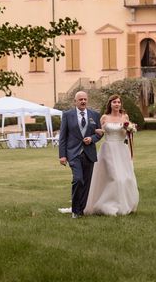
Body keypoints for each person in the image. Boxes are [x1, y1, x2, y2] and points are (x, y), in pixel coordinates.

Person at [84, 94, 139, 216]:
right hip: (108, 150)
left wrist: (130, 129)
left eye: (119, 102)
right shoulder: (104, 117)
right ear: (110, 104)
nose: (117, 104)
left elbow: (126, 132)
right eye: (114, 102)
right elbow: (100, 132)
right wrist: (97, 132)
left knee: (126, 178)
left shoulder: (125, 116)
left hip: (122, 150)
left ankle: (124, 204)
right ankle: (108, 205)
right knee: (114, 178)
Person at [58, 90, 103, 218]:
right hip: (73, 153)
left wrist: (92, 139)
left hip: (89, 154)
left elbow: (99, 133)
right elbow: (63, 137)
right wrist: (62, 155)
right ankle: (75, 210)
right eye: (80, 99)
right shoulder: (67, 115)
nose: (83, 101)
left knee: (86, 184)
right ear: (75, 101)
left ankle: (80, 210)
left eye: (85, 99)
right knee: (78, 179)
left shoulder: (94, 114)